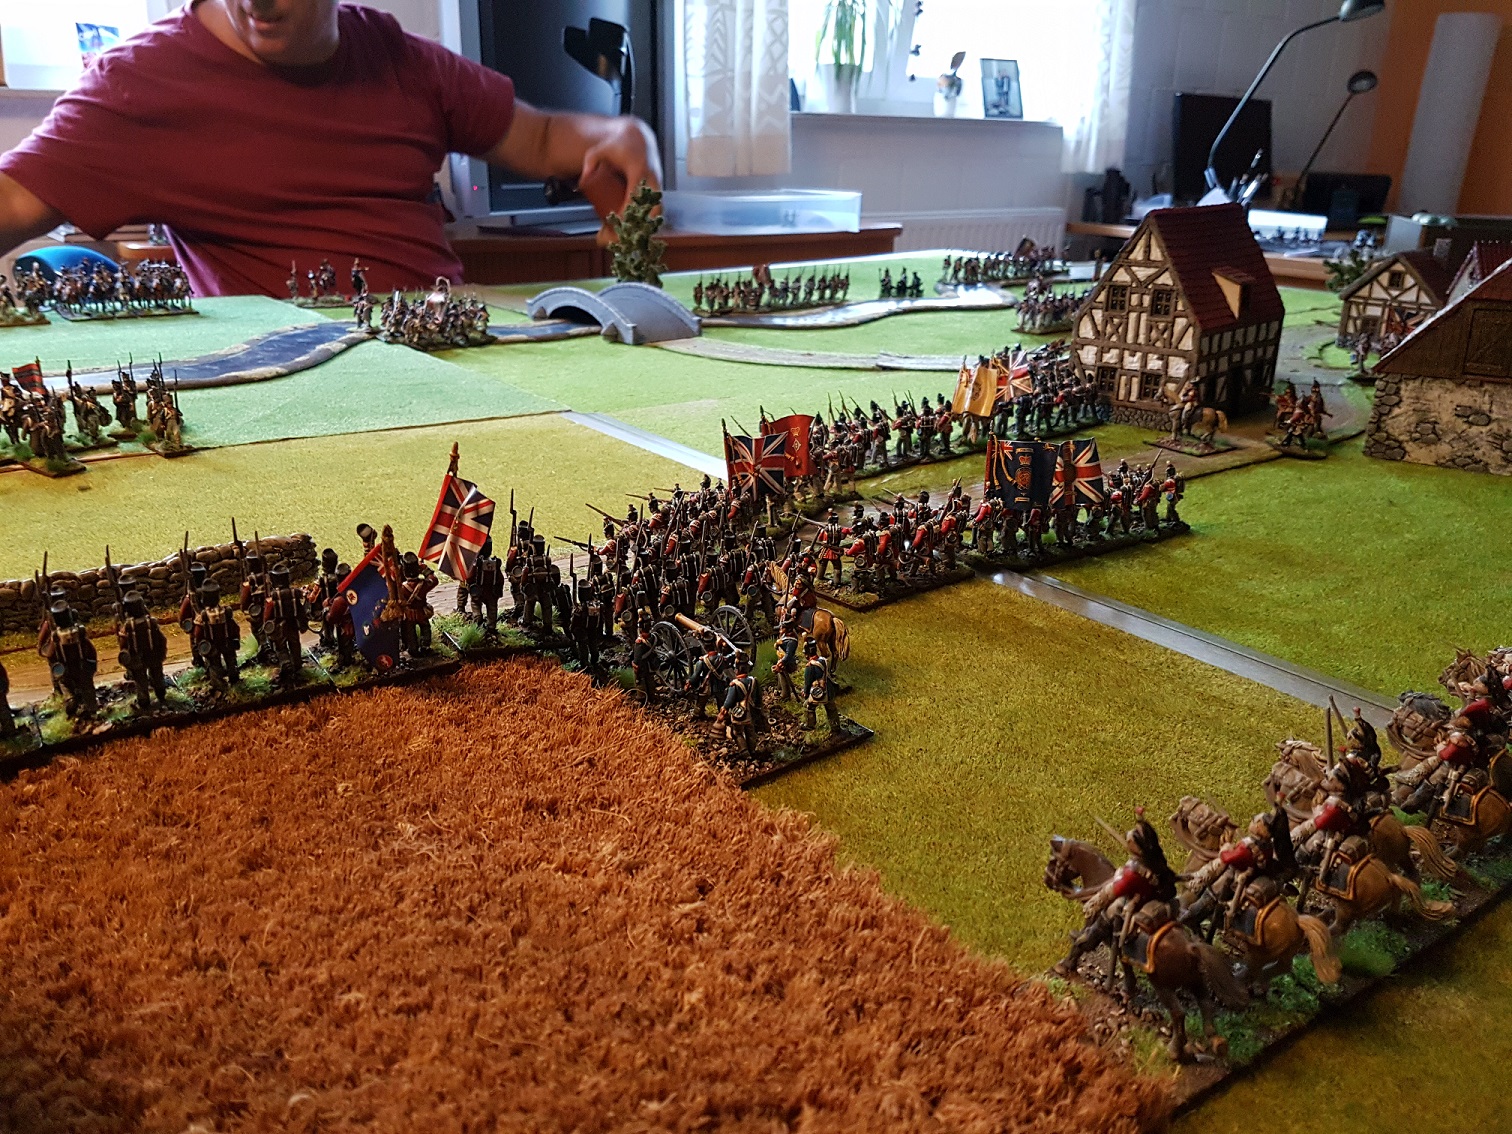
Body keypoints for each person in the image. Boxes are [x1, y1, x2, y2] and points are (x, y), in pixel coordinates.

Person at [0, 0, 661, 297]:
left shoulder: (402, 58)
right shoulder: (137, 83)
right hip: (297, 391)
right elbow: (12, 201)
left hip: (454, 349)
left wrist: (625, 134)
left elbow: (540, 138)